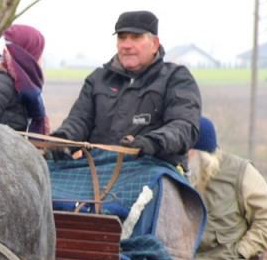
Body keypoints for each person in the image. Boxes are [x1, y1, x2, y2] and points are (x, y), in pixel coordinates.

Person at [49, 10, 201, 167]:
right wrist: (62, 139)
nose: (127, 45)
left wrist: (152, 143)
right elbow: (78, 121)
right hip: (97, 168)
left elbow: (184, 126)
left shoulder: (177, 78)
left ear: (154, 44)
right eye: (122, 38)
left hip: (154, 167)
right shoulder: (98, 79)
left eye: (136, 37)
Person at [188, 116, 267, 260]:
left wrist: (239, 252)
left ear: (198, 153)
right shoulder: (174, 173)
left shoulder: (240, 172)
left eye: (186, 152)